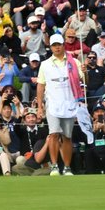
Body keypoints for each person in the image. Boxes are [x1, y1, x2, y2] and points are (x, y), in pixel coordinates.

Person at [34, 33, 84, 175]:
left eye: (59, 45)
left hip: (69, 103)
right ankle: (55, 166)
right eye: (54, 45)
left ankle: (67, 167)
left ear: (63, 45)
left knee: (67, 136)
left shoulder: (74, 62)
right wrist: (39, 107)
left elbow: (82, 78)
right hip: (53, 104)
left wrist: (85, 72)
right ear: (51, 47)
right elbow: (40, 86)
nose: (57, 47)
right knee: (54, 134)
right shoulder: (45, 64)